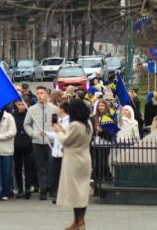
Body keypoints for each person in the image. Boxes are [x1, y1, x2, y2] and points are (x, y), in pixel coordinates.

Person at [53, 99, 93, 230]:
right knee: (82, 190)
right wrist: (63, 129)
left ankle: (79, 220)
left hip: (74, 161)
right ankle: (78, 221)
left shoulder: (76, 124)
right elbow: (74, 136)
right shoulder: (88, 123)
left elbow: (66, 141)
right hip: (84, 158)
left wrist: (57, 131)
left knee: (76, 192)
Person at [24, 85, 58, 200]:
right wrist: (33, 133)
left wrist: (52, 133)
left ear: (47, 94)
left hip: (50, 141)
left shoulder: (53, 109)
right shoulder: (32, 109)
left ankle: (52, 188)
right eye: (37, 93)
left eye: (41, 93)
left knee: (52, 164)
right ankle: (43, 190)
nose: (39, 95)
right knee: (40, 166)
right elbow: (26, 124)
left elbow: (56, 124)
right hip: (37, 142)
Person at [12, 100, 36, 199]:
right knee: (17, 168)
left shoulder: (30, 115)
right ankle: (20, 189)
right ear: (16, 105)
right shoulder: (13, 115)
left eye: (23, 104)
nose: (21, 106)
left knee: (28, 167)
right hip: (16, 145)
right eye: (19, 104)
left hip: (28, 144)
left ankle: (27, 188)